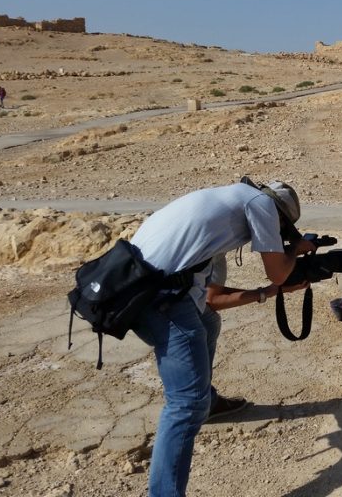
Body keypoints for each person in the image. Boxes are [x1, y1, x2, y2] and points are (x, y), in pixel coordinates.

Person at [129, 179, 316, 496]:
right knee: (186, 404)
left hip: (137, 284)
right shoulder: (260, 205)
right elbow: (278, 272)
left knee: (207, 322)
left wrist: (266, 294)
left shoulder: (221, 212)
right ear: (279, 216)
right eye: (282, 229)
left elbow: (211, 299)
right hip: (158, 299)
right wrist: (295, 252)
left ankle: (209, 402)